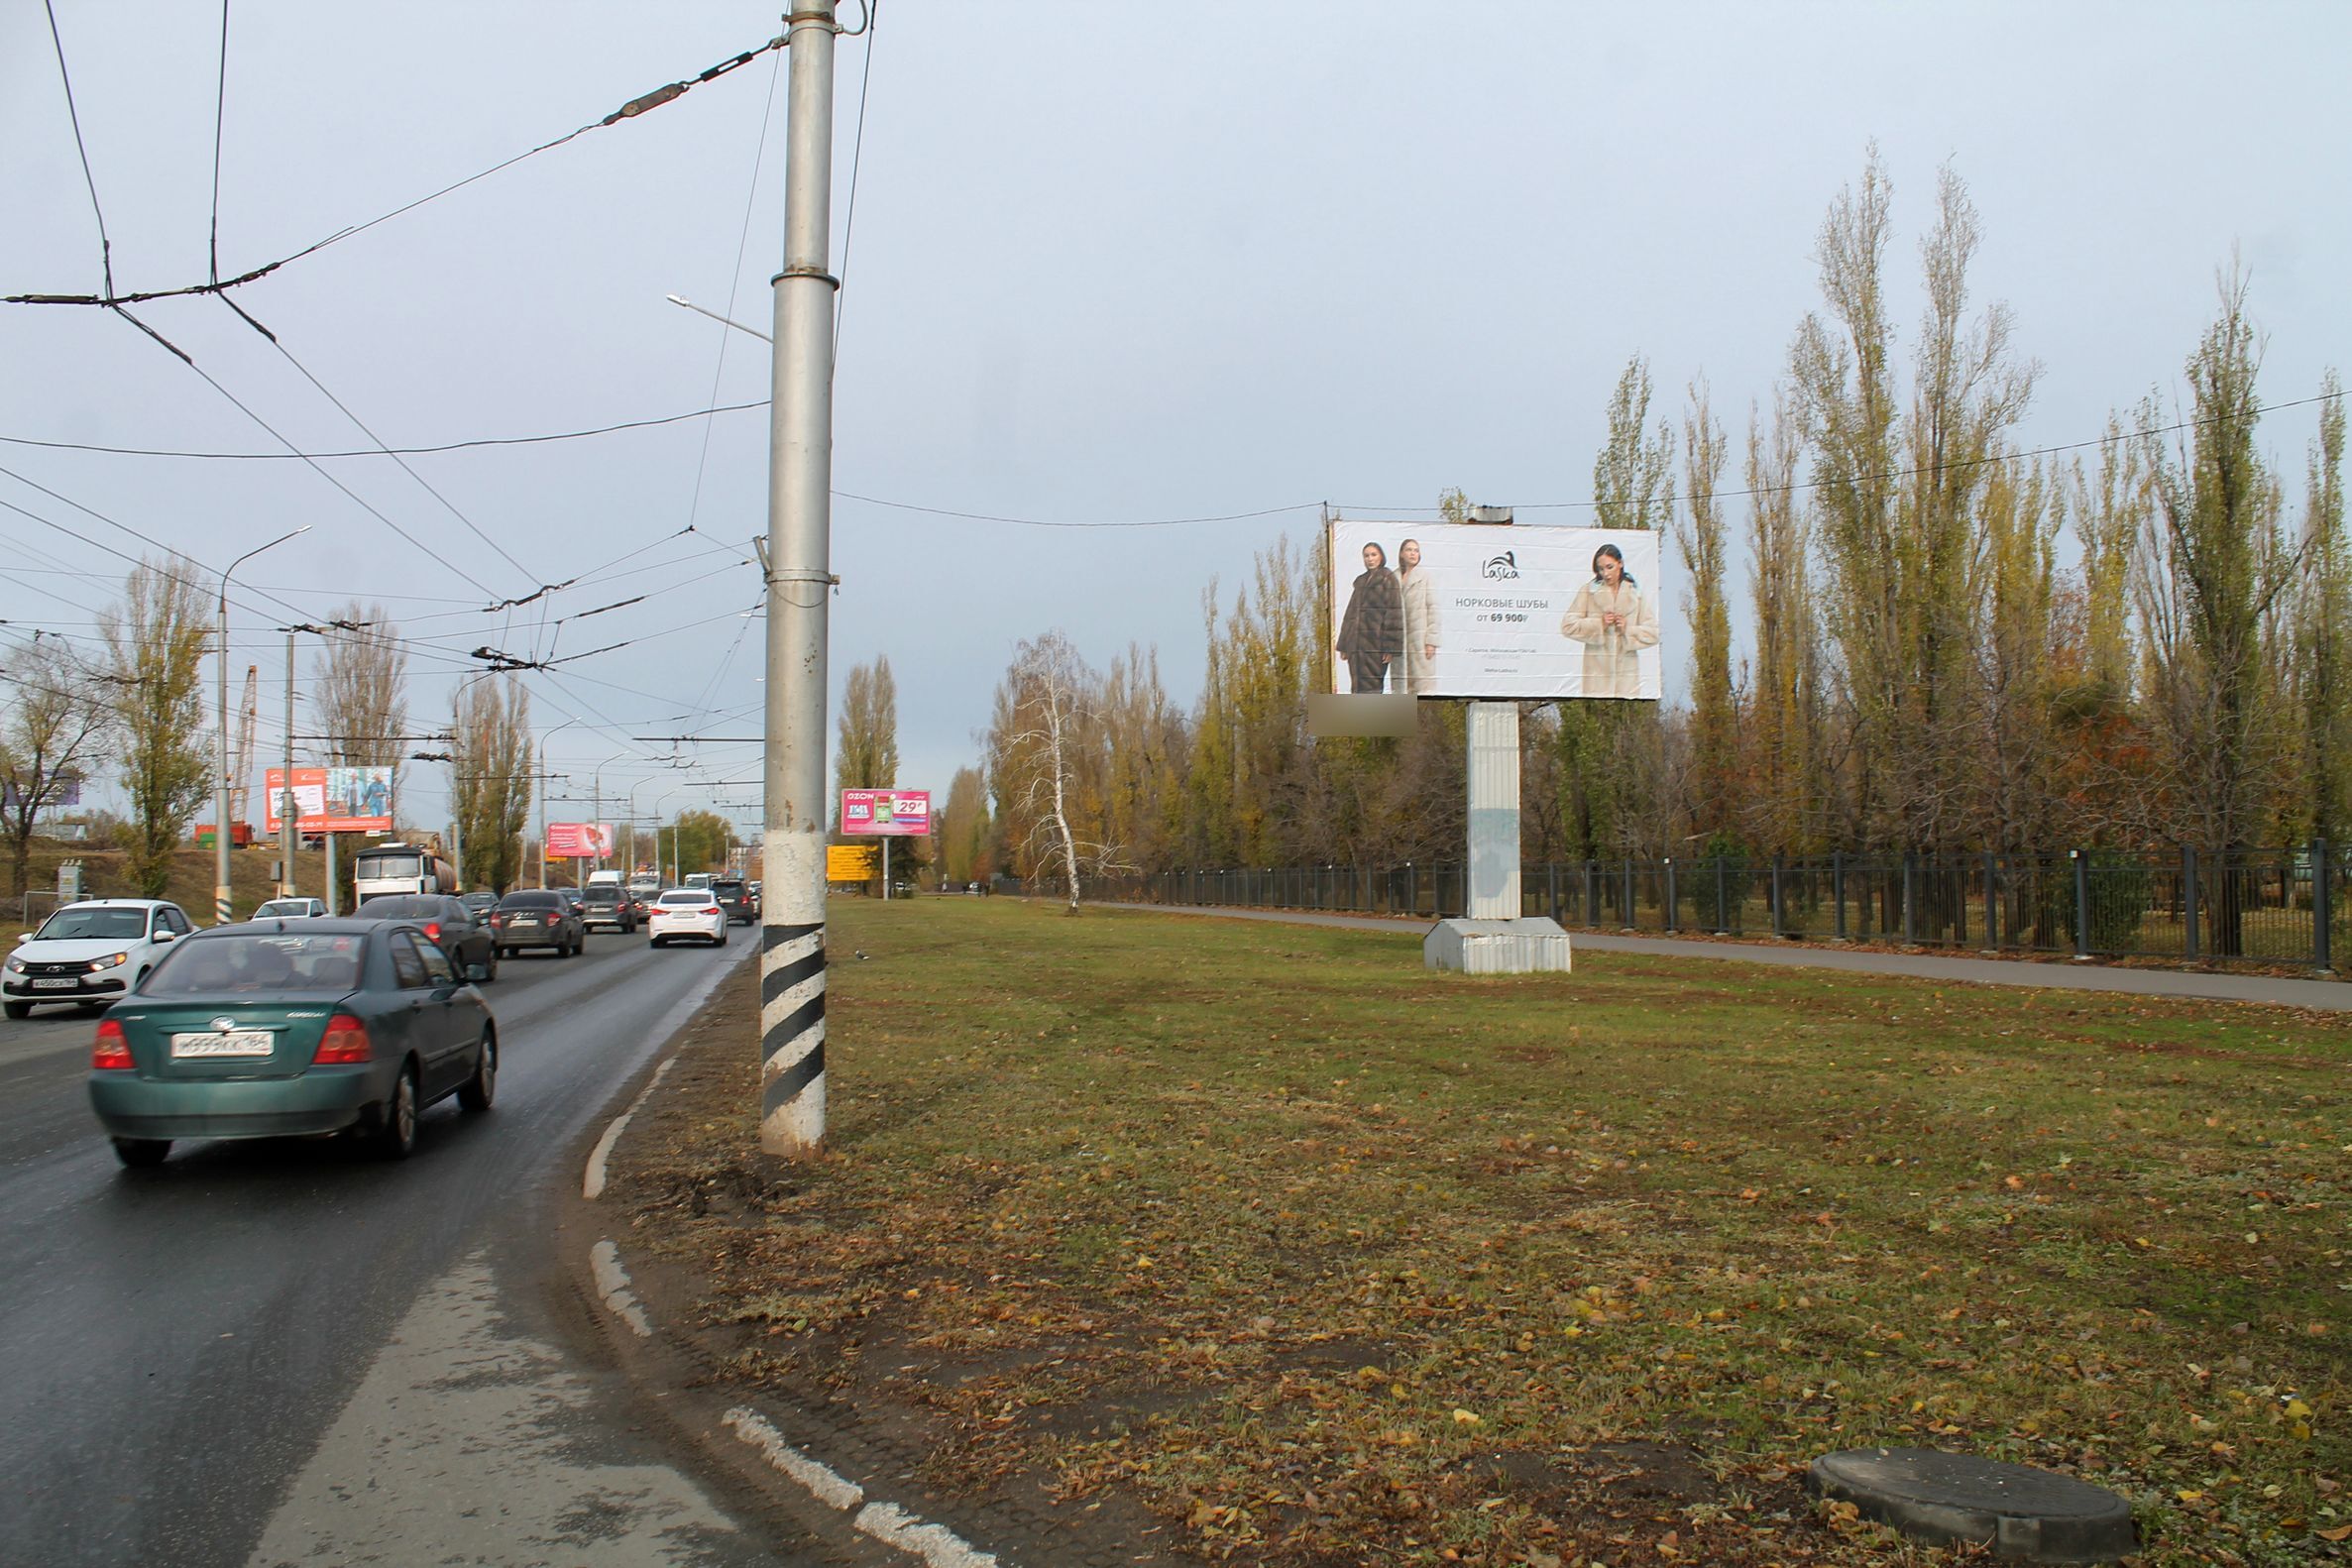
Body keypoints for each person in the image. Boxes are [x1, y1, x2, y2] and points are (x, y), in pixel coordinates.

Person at [1559, 542, 1658, 698]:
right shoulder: (1589, 591)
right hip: (1596, 677)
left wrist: (1628, 629)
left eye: (1609, 567)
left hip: (1627, 680)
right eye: (1601, 569)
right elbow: (1567, 625)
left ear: (1620, 563)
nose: (1605, 573)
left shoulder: (1635, 593)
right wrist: (1599, 624)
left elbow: (1653, 633)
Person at [1334, 541, 1403, 693]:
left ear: (1381, 557)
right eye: (1366, 556)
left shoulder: (1388, 578)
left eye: (1373, 555)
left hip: (1375, 646)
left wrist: (1390, 648)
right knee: (1357, 688)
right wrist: (1345, 644)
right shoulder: (1361, 581)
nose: (1370, 559)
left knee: (1372, 689)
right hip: (1356, 646)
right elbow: (1350, 614)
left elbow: (1394, 614)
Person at [1396, 537, 1441, 695]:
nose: (1413, 553)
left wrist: (1431, 641)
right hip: (1399, 642)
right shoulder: (1393, 577)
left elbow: (1433, 608)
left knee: (1423, 689)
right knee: (1401, 689)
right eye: (1409, 550)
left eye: (1416, 550)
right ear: (1402, 553)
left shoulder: (1425, 576)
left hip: (1419, 641)